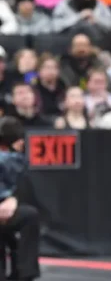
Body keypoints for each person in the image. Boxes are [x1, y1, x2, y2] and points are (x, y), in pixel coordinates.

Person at [0, 116, 41, 281]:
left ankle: (23, 273)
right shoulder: (13, 161)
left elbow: (23, 188)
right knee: (29, 215)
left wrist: (12, 199)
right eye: (19, 139)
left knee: (28, 214)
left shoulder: (15, 160)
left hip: (6, 209)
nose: (23, 143)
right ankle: (24, 272)